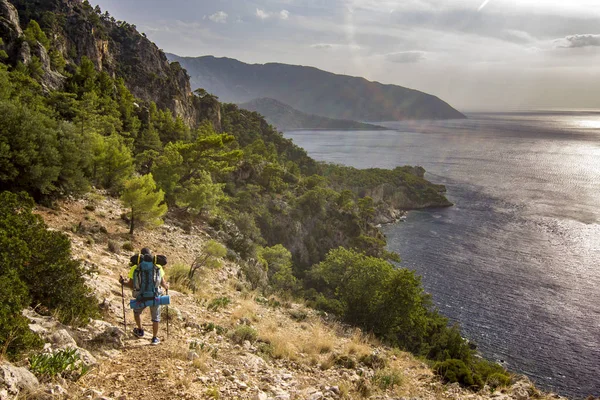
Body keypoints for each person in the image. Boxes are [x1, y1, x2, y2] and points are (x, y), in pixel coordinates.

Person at [119, 247, 169, 345]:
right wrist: (167, 286)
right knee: (155, 318)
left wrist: (122, 282)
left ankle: (140, 330)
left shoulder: (135, 267)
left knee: (136, 312)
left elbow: (131, 285)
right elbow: (163, 284)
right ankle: (154, 338)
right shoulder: (157, 266)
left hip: (141, 296)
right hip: (155, 296)